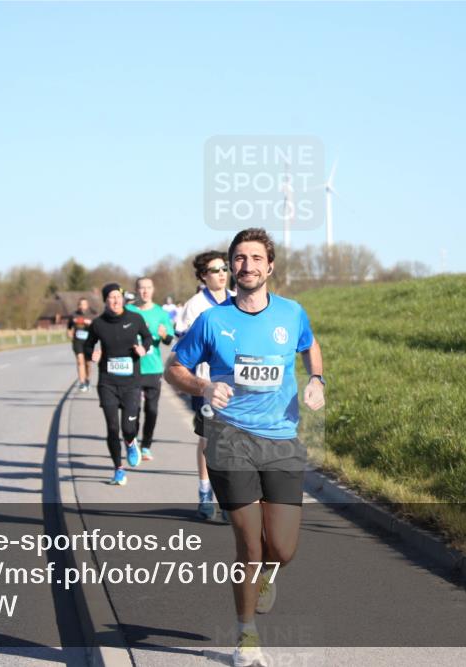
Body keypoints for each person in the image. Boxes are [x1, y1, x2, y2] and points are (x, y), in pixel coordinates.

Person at [164, 228, 325, 667]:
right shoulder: (212, 321)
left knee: (283, 549)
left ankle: (269, 573)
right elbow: (173, 368)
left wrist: (316, 379)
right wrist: (203, 386)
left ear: (269, 267)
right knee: (249, 545)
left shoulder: (291, 313)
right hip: (229, 439)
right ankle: (247, 634)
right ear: (231, 266)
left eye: (256, 258)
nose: (247, 265)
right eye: (239, 258)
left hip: (281, 439)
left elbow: (310, 346)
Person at [176, 250, 234, 519]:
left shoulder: (238, 300)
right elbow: (184, 349)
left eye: (224, 268)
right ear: (202, 276)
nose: (221, 274)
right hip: (206, 383)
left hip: (236, 384)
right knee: (209, 439)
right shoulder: (195, 305)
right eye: (214, 270)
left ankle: (230, 497)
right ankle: (204, 492)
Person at [83, 283, 155, 486]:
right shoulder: (98, 324)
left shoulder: (135, 318)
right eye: (111, 297)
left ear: (123, 298)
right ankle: (118, 469)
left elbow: (148, 337)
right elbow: (87, 346)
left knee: (128, 428)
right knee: (113, 428)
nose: (115, 300)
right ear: (105, 301)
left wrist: (143, 348)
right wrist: (92, 354)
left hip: (131, 383)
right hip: (107, 382)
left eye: (118, 297)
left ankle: (131, 443)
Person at [126, 277, 174, 462]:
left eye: (148, 288)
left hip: (153, 368)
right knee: (134, 409)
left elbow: (169, 340)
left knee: (152, 410)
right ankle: (133, 443)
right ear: (136, 290)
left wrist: (164, 334)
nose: (145, 291)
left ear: (153, 290)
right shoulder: (129, 311)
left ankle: (146, 446)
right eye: (141, 288)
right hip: (133, 368)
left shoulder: (160, 313)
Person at [67, 297, 96, 392]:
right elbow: (69, 327)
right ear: (78, 305)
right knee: (80, 361)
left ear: (87, 305)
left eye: (83, 304)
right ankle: (82, 382)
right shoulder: (73, 315)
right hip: (77, 341)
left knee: (88, 363)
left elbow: (97, 327)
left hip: (88, 342)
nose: (81, 306)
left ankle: (87, 379)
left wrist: (90, 323)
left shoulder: (92, 315)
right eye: (80, 304)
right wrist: (69, 334)